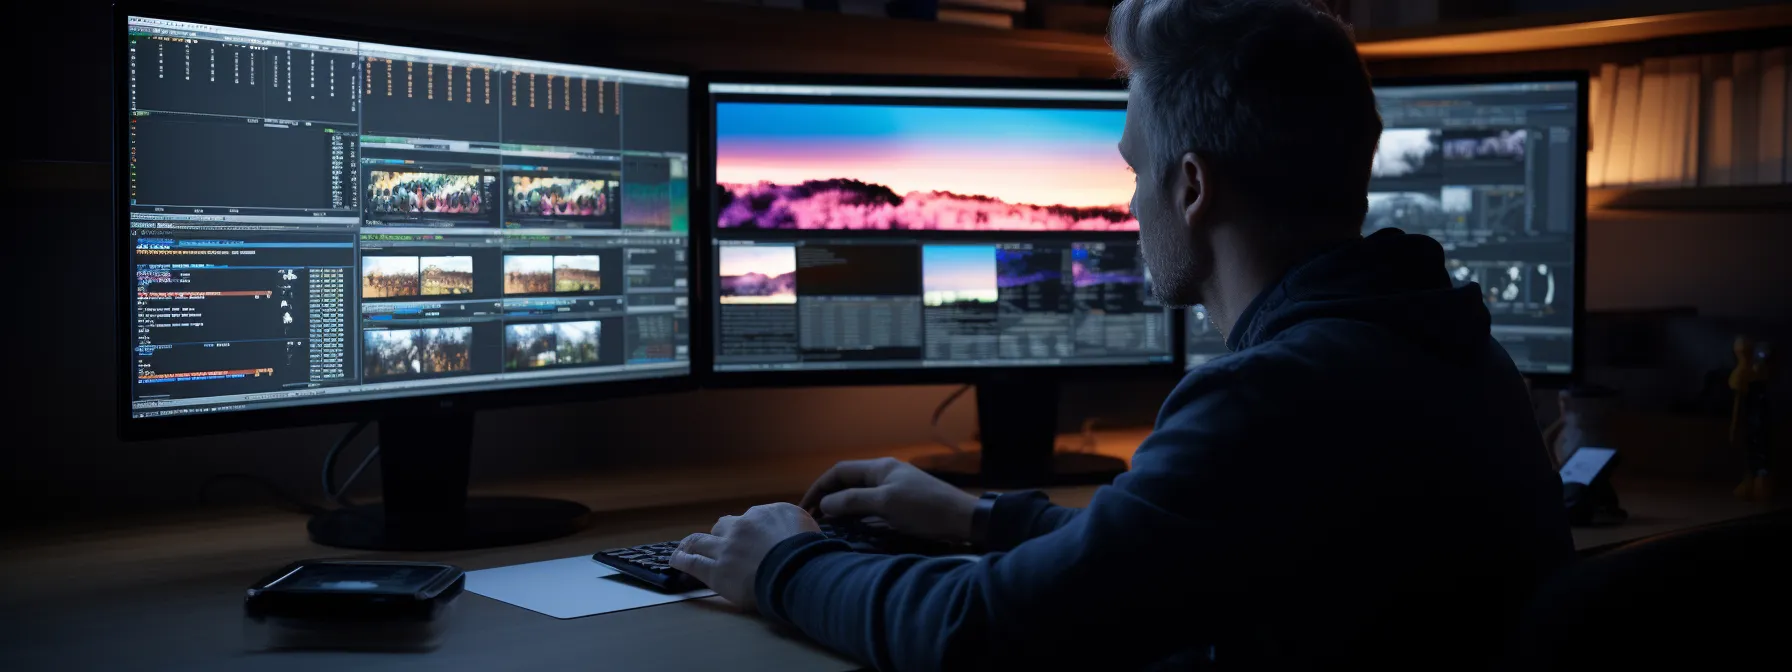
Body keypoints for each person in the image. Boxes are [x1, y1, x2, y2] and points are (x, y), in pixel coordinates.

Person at [668, 0, 1574, 668]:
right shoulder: (1445, 346)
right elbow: (1161, 552)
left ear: (1190, 186)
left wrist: (783, 560)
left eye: (1134, 172)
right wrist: (978, 516)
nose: (1128, 207)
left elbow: (981, 632)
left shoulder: (1276, 392)